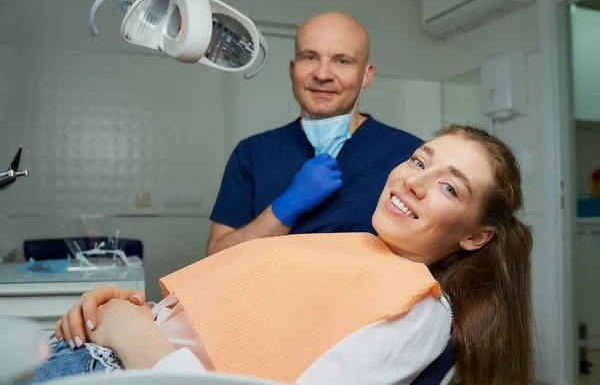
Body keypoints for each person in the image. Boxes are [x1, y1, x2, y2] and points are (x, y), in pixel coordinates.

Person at [23, 125, 534, 385]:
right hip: (92, 347)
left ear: (477, 236)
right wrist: (132, 308)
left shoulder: (418, 307)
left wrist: (126, 331)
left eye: (448, 187)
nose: (413, 181)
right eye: (419, 159)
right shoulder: (361, 250)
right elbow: (244, 327)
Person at [207, 11, 423, 256]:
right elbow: (216, 258)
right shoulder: (252, 154)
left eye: (342, 61)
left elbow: (428, 256)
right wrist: (284, 208)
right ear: (292, 69)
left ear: (366, 75)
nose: (322, 74)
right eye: (309, 57)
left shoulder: (409, 157)